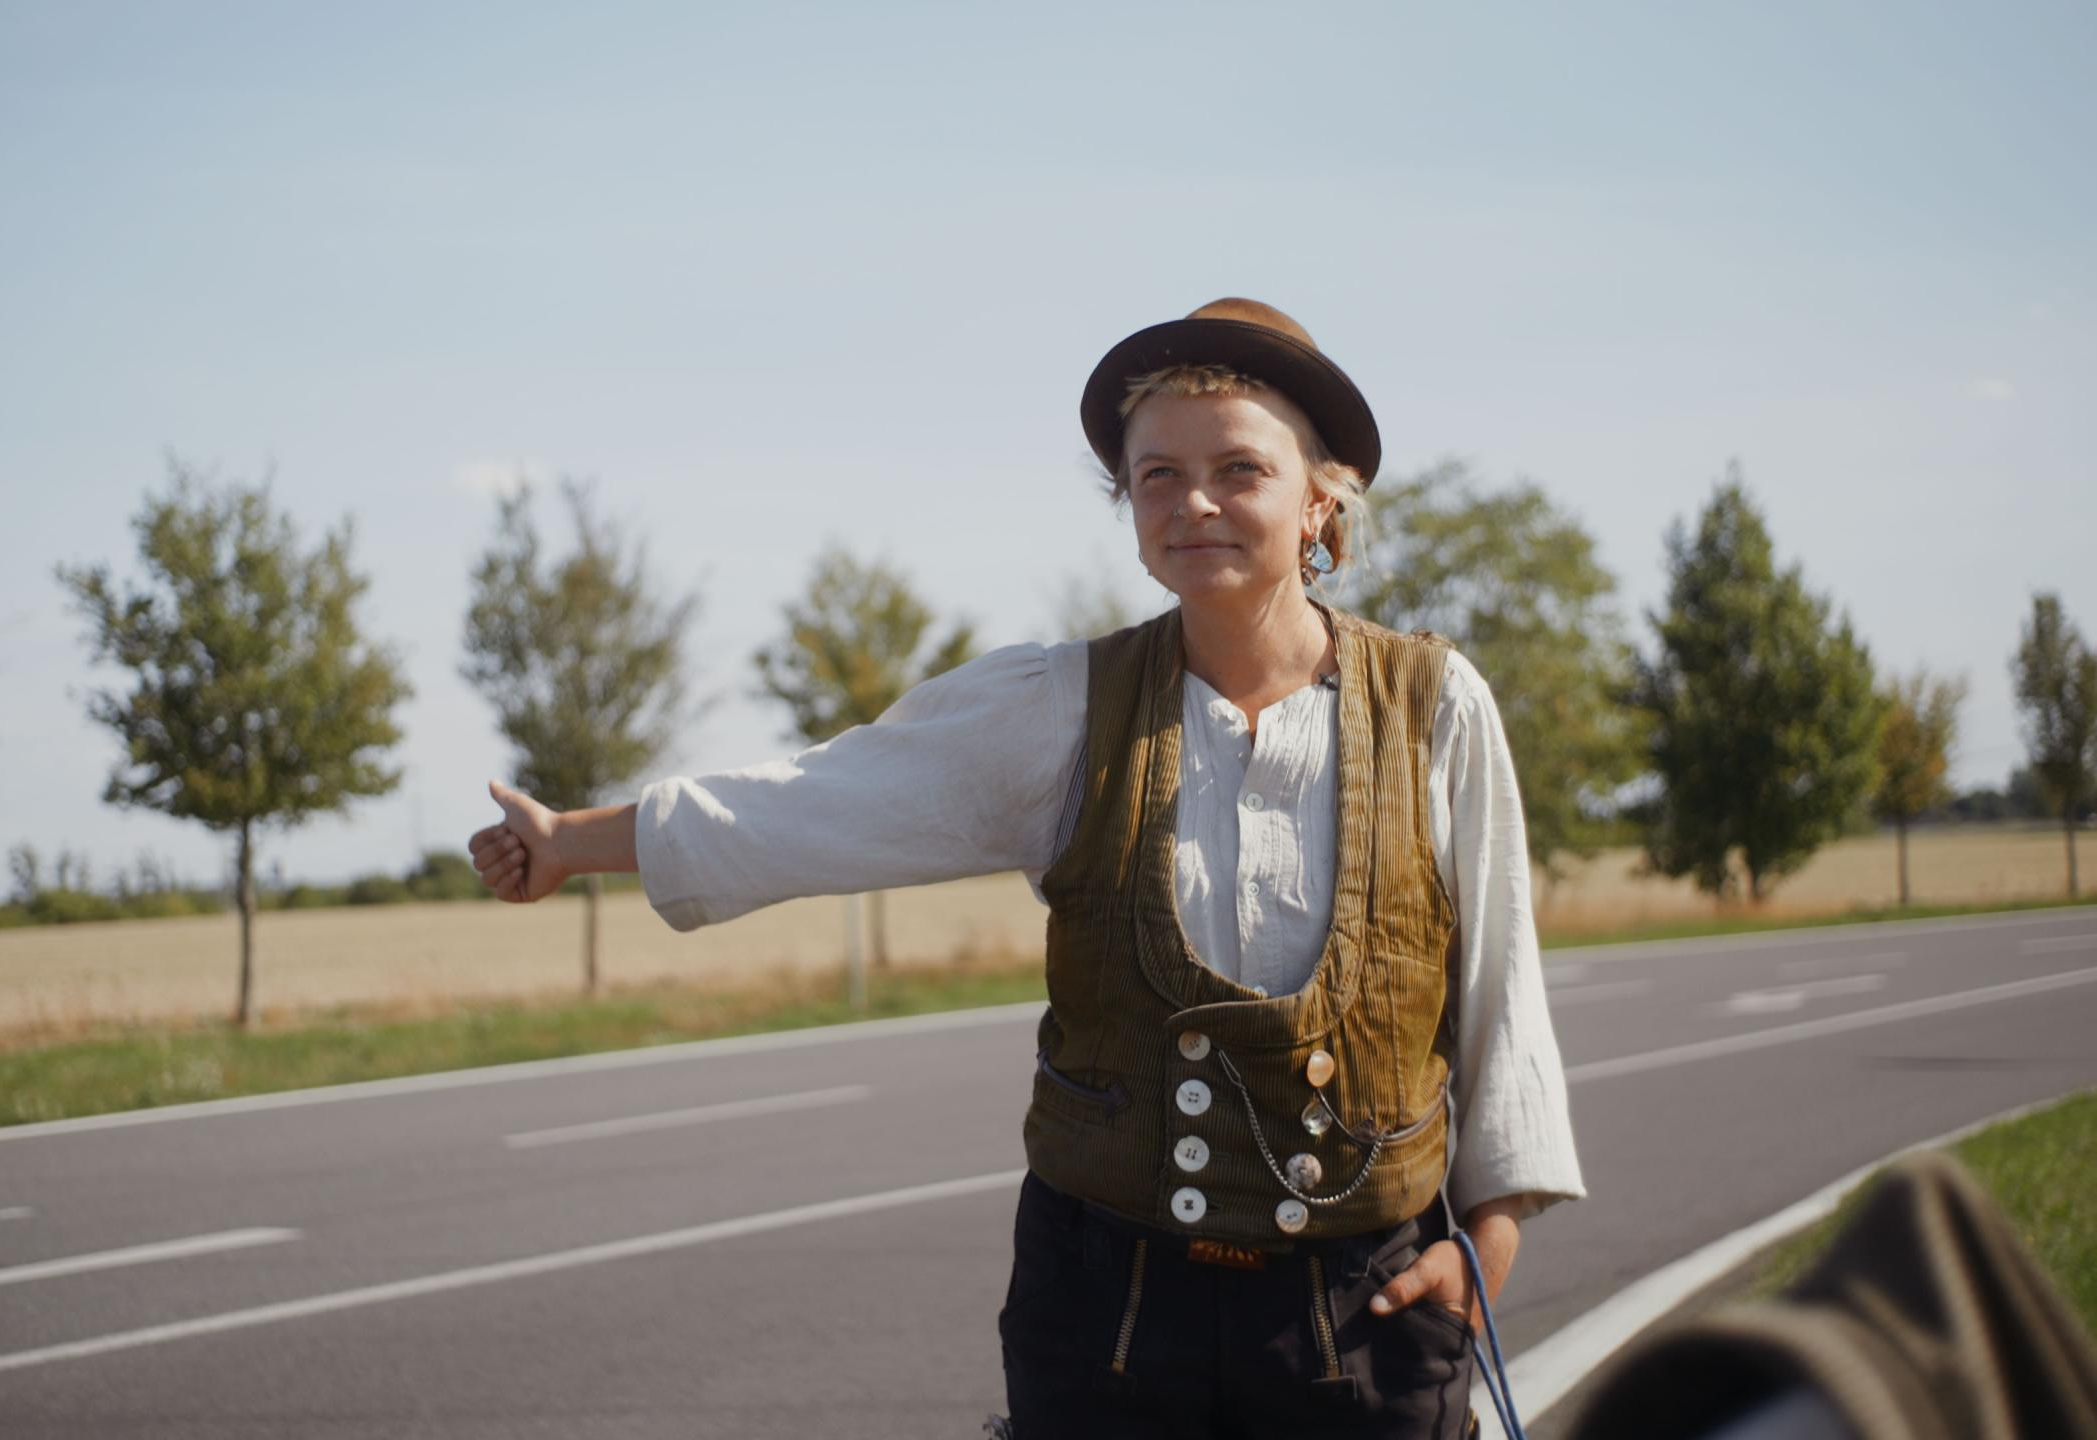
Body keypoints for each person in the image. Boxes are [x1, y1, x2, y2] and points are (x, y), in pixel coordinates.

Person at [467, 298, 1585, 1436]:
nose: (1193, 503)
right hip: (1110, 1315)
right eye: (1157, 476)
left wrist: (1485, 1248)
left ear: (1319, 501)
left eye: (1239, 469)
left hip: (1368, 1312)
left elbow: (1501, 996)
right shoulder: (1061, 708)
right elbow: (818, 800)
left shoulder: (1434, 707)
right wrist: (570, 843)